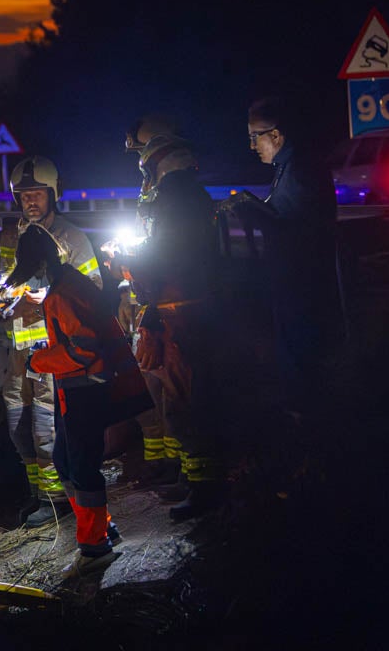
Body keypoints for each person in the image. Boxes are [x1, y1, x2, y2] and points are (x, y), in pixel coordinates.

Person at [0, 155, 102, 528]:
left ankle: (55, 501)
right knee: (18, 429)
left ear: (53, 195)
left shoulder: (71, 239)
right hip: (17, 353)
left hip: (52, 352)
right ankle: (38, 496)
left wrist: (45, 298)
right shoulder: (10, 238)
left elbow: (91, 291)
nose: (31, 201)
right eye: (24, 195)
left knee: (46, 430)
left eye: (37, 194)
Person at [114, 117, 224, 520]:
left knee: (187, 402)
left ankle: (205, 488)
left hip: (182, 314)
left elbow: (164, 256)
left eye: (143, 162)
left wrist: (129, 263)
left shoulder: (176, 199)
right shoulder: (181, 196)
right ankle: (186, 474)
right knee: (172, 399)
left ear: (156, 161)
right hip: (174, 310)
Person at [16, 224, 138, 579]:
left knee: (81, 468)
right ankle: (101, 528)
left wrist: (39, 360)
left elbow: (82, 349)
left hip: (85, 388)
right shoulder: (69, 284)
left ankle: (95, 547)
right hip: (81, 387)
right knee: (65, 462)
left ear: (39, 264)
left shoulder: (62, 294)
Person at [220, 97, 339, 415]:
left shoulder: (298, 170)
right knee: (295, 349)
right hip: (292, 278)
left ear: (276, 135)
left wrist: (252, 212)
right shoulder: (289, 167)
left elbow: (297, 229)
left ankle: (310, 425)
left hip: (299, 281)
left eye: (254, 136)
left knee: (301, 352)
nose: (251, 146)